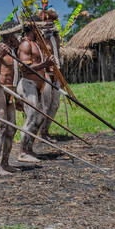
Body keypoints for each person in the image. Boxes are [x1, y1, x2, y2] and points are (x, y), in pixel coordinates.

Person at [16, 23, 55, 163]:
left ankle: (29, 149)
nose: (41, 32)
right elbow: (25, 68)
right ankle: (22, 152)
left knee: (39, 119)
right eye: (39, 29)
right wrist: (44, 65)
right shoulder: (25, 45)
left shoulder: (36, 44)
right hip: (28, 85)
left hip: (38, 86)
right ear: (33, 29)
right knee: (31, 119)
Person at [0, 21, 22, 175]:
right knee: (2, 127)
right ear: (10, 37)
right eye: (17, 35)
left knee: (12, 128)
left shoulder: (14, 52)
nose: (19, 38)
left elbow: (15, 75)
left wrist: (17, 97)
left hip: (11, 91)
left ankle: (5, 162)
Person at [37, 9, 63, 141]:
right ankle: (41, 132)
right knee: (45, 105)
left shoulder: (55, 38)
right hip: (44, 74)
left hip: (56, 73)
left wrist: (58, 71)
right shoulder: (38, 39)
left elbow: (57, 54)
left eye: (51, 24)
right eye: (46, 24)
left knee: (55, 105)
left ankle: (46, 130)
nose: (48, 27)